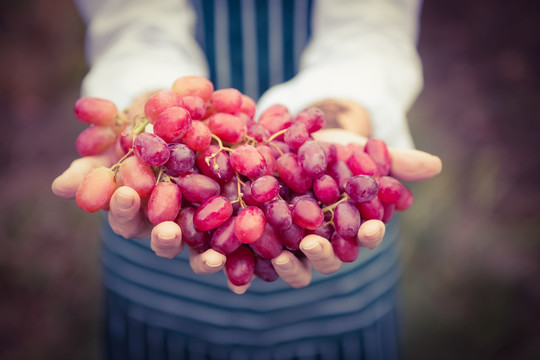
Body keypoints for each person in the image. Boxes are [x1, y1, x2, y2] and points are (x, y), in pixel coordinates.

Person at [52, 0, 442, 358]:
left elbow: (371, 23)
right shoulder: (169, 161)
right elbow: (132, 18)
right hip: (161, 257)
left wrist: (347, 105)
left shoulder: (319, 182)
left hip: (334, 279)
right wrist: (147, 102)